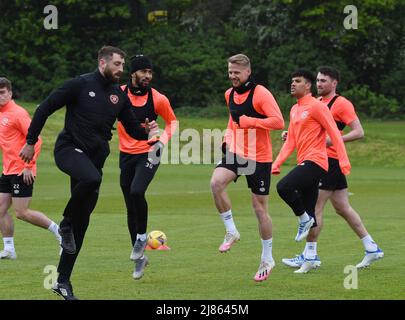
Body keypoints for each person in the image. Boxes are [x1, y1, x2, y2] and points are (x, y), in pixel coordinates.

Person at [19, 46, 158, 300]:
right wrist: (30, 141)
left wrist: (148, 132)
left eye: (122, 65)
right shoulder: (79, 84)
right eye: (116, 64)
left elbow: (132, 129)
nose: (120, 70)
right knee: (88, 184)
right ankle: (65, 224)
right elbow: (44, 108)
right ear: (102, 62)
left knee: (83, 222)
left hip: (95, 160)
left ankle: (62, 281)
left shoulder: (118, 95)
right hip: (68, 149)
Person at [281, 66, 384, 273]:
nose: (319, 84)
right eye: (317, 80)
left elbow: (359, 132)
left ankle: (310, 255)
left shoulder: (341, 104)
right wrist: (291, 136)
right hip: (321, 160)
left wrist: (332, 141)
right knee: (342, 207)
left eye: (323, 81)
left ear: (334, 83)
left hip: (329, 162)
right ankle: (371, 247)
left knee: (314, 207)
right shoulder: (315, 103)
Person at [210, 54, 284, 282]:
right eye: (230, 72)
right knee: (216, 183)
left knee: (259, 209)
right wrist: (226, 136)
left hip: (260, 158)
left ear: (248, 72)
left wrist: (251, 121)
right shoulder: (229, 94)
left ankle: (267, 258)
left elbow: (278, 121)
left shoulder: (261, 93)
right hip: (238, 152)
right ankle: (231, 230)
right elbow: (233, 121)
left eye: (237, 72)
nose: (232, 76)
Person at [271, 69, 351, 274]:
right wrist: (276, 163)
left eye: (297, 81)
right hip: (304, 160)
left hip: (317, 162)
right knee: (312, 209)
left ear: (307, 86)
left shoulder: (317, 106)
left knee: (284, 187)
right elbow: (291, 141)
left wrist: (343, 161)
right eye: (292, 81)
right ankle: (309, 259)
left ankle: (303, 219)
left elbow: (335, 133)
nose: (292, 84)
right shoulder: (294, 109)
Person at [118, 54, 177, 280]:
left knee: (137, 191)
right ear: (133, 73)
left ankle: (141, 238)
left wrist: (162, 140)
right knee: (130, 207)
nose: (148, 76)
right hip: (126, 155)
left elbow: (172, 121)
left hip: (151, 151)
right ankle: (140, 258)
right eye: (143, 72)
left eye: (150, 72)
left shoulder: (158, 98)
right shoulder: (119, 95)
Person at [0, 77, 61, 260]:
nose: (0, 96)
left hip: (22, 170)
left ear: (10, 93)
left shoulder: (18, 113)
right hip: (8, 170)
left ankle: (61, 232)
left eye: (2, 93)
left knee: (21, 212)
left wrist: (29, 166)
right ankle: (9, 249)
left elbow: (36, 139)